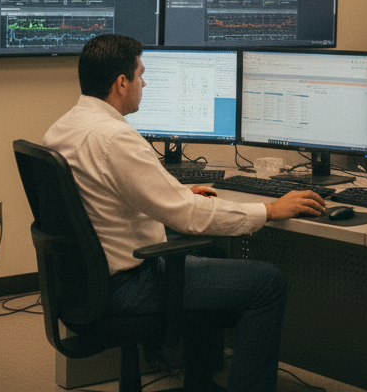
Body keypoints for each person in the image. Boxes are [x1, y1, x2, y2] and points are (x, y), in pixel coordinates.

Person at [44, 34, 325, 392]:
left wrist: (173, 191)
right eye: (141, 74)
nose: (144, 83)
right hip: (128, 286)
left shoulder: (62, 129)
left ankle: (201, 379)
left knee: (207, 251)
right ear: (121, 83)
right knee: (267, 283)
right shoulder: (116, 138)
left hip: (85, 284)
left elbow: (105, 192)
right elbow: (190, 217)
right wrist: (269, 209)